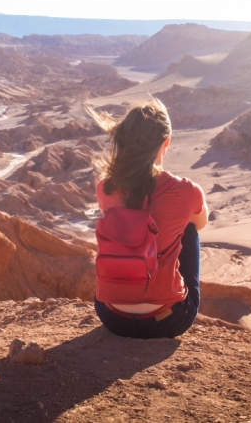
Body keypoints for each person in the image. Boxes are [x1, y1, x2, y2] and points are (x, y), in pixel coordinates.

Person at [88, 99, 208, 338]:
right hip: (168, 320)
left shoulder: (106, 188)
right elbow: (201, 222)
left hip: (111, 315)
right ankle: (165, 294)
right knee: (190, 230)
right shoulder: (187, 191)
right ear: (166, 142)